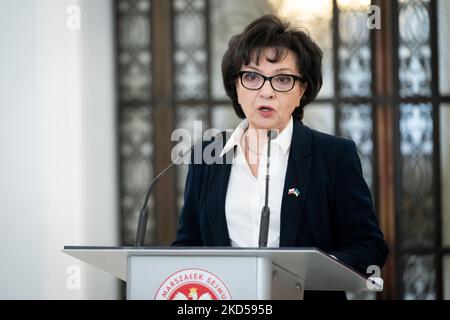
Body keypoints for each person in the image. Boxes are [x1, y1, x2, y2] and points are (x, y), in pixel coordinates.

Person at [172, 14, 388, 300]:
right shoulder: (207, 155)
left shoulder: (334, 156)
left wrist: (319, 268)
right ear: (235, 86)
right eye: (251, 76)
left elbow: (369, 246)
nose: (266, 91)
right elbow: (189, 245)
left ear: (302, 90)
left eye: (283, 79)